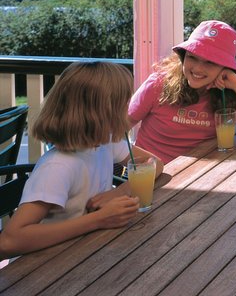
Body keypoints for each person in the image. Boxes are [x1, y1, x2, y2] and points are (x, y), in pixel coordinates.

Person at [0, 61, 164, 258]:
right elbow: (9, 241)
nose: (127, 109)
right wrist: (99, 219)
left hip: (85, 251)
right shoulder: (58, 167)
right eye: (123, 103)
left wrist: (120, 191)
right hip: (45, 268)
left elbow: (155, 164)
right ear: (100, 113)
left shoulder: (105, 142)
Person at [129, 20, 236, 163]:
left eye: (210, 62)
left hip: (197, 176)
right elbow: (117, 129)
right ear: (183, 56)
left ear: (225, 67)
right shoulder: (157, 85)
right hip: (150, 176)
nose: (198, 68)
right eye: (192, 57)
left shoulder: (228, 93)